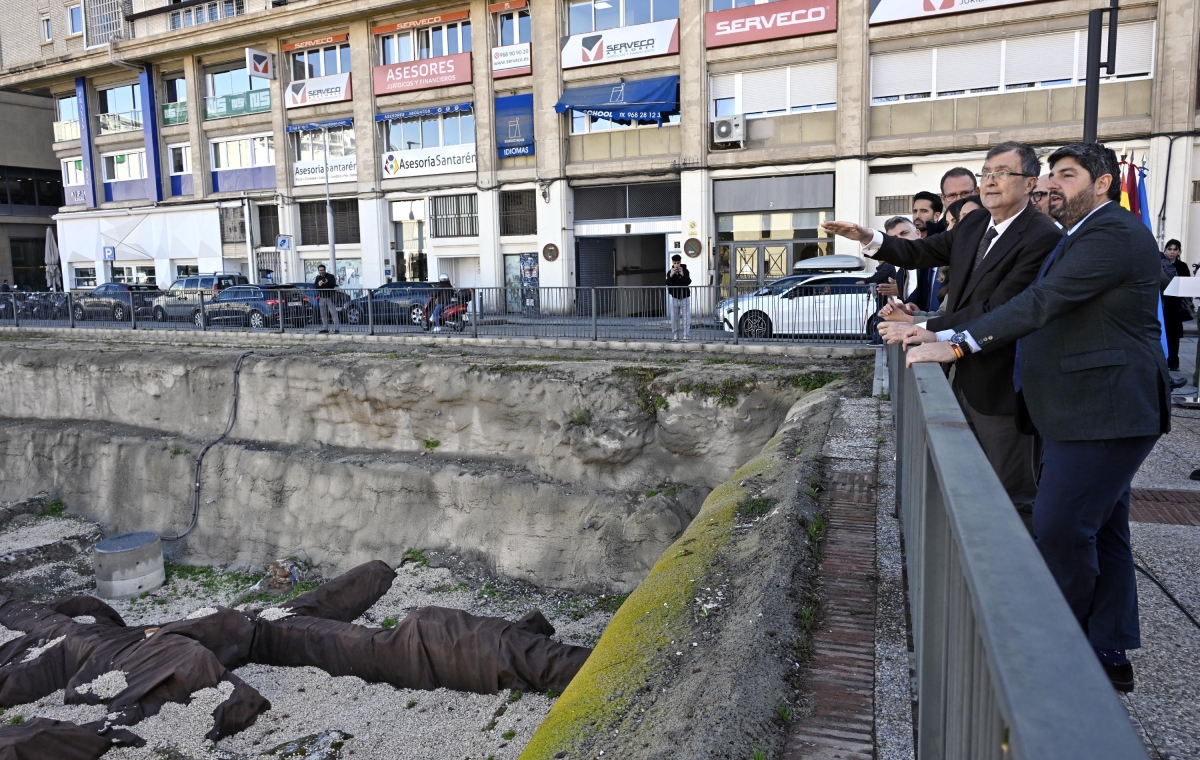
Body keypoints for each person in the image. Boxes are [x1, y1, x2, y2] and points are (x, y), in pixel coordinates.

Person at [895, 142, 1170, 693]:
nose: (1051, 186)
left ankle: (1059, 651)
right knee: (1103, 530)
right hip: (1086, 407)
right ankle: (1107, 649)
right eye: (1051, 176)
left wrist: (956, 343)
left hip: (1105, 410)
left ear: (1103, 183)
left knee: (1059, 526)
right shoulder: (1081, 232)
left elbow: (1041, 301)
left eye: (1067, 176)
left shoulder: (1111, 234)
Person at [824, 141, 1062, 531]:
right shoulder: (974, 223)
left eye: (1003, 173)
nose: (991, 181)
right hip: (965, 376)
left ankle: (1013, 562)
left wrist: (926, 329)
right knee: (969, 479)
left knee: (1011, 492)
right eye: (987, 173)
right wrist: (869, 237)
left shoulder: (1042, 236)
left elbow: (998, 309)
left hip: (1005, 385)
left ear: (1030, 183)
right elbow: (919, 252)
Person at [1161, 239, 1190, 372]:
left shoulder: (1182, 266)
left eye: (1175, 249)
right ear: (1165, 250)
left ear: (1179, 251)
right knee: (1162, 333)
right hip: (1162, 303)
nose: (1172, 252)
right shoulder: (1160, 263)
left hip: (1175, 305)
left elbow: (1186, 283)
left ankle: (1173, 363)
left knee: (1174, 336)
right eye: (1170, 249)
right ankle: (1162, 361)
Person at [666, 254, 691, 341]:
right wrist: (671, 275)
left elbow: (688, 282)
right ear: (673, 263)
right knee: (674, 318)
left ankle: (686, 335)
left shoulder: (685, 271)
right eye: (675, 263)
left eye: (678, 263)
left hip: (684, 297)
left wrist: (682, 275)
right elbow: (667, 283)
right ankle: (675, 335)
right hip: (674, 298)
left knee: (686, 318)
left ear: (680, 262)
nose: (676, 265)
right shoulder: (670, 272)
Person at [313, 264, 340, 334]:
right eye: (320, 270)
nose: (321, 271)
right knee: (323, 314)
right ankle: (325, 328)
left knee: (333, 313)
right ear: (318, 271)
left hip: (330, 297)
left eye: (322, 270)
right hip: (322, 297)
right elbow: (315, 286)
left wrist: (327, 282)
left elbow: (333, 285)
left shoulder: (330, 276)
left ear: (325, 270)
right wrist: (319, 284)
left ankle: (336, 329)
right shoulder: (318, 277)